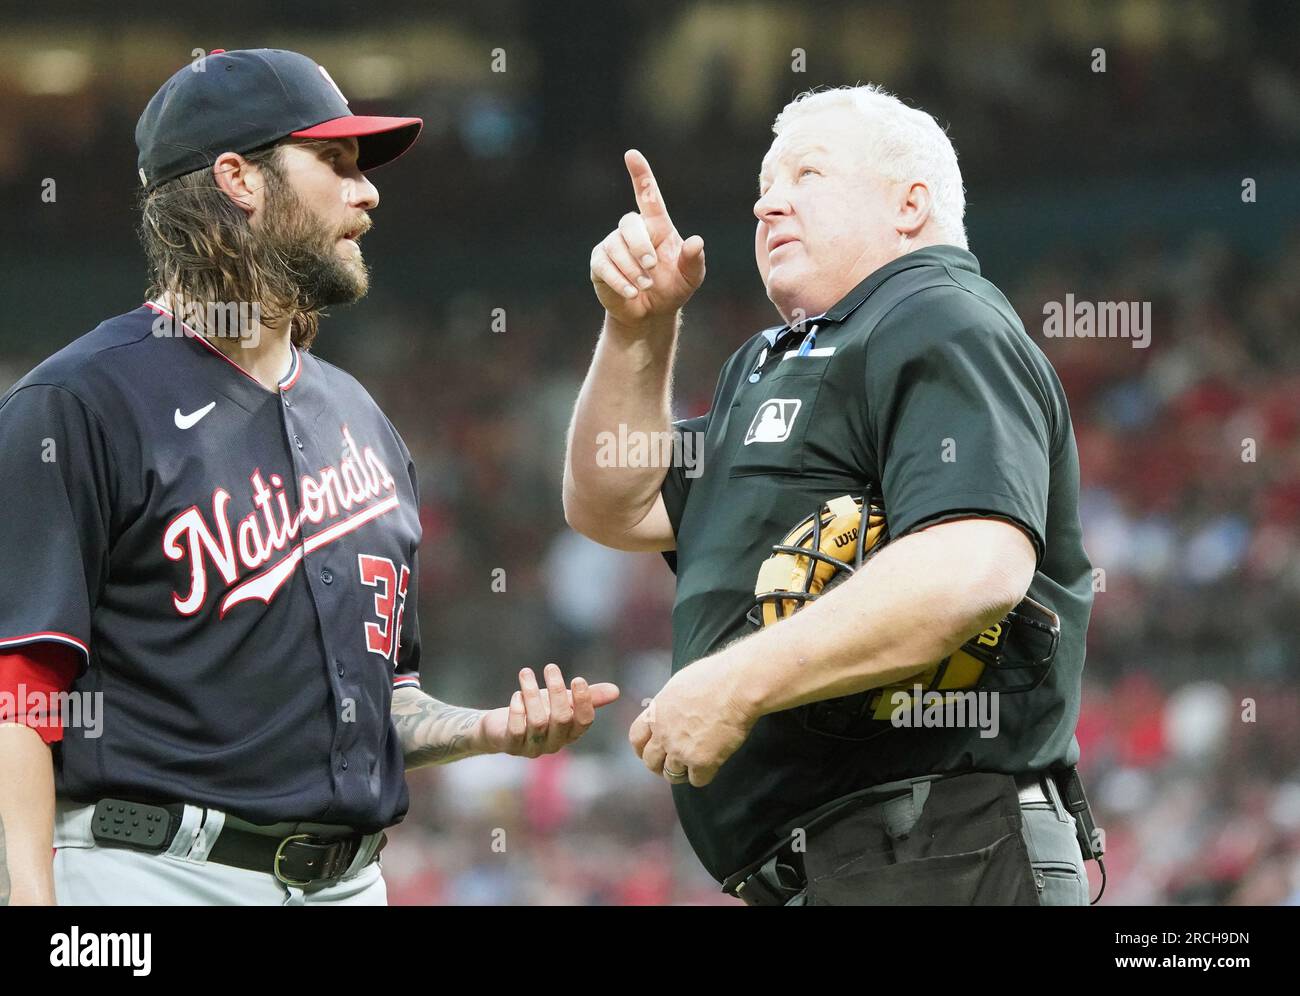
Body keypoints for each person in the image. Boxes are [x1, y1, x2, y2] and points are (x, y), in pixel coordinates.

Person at [0, 48, 617, 907]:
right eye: (335, 162)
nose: (366, 192)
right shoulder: (78, 404)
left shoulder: (361, 419)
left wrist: (487, 730)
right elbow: (16, 699)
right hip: (150, 873)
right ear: (237, 179)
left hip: (351, 883)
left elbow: (383, 701)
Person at [564, 84, 1094, 905]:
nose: (767, 203)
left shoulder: (936, 315)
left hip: (940, 848)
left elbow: (973, 565)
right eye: (764, 187)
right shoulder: (775, 360)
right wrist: (640, 327)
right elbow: (613, 502)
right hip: (854, 866)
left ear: (910, 205)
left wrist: (734, 683)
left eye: (806, 175)